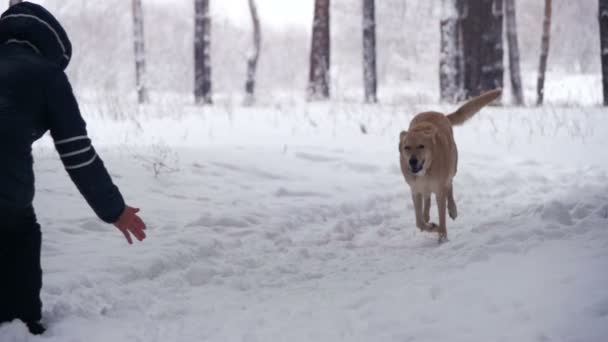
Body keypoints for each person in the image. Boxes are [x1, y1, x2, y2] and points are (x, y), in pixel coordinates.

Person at [0, 2, 147, 335]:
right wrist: (115, 210)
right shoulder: (46, 75)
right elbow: (77, 152)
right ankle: (21, 323)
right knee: (18, 235)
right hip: (7, 198)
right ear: (52, 46)